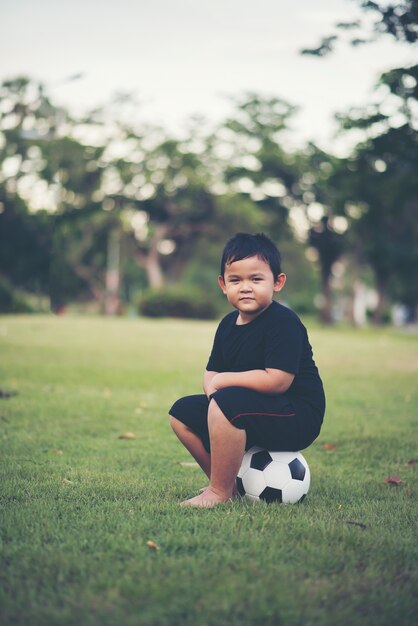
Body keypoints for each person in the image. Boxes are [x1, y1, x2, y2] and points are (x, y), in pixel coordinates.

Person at [169, 233, 325, 508]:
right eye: (236, 280)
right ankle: (227, 485)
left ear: (277, 282)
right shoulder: (228, 324)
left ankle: (217, 493)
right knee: (181, 413)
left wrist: (223, 385)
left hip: (296, 414)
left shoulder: (283, 322)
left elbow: (277, 381)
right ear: (223, 284)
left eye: (256, 279)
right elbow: (212, 372)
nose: (245, 287)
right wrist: (213, 391)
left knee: (226, 403)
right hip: (254, 408)